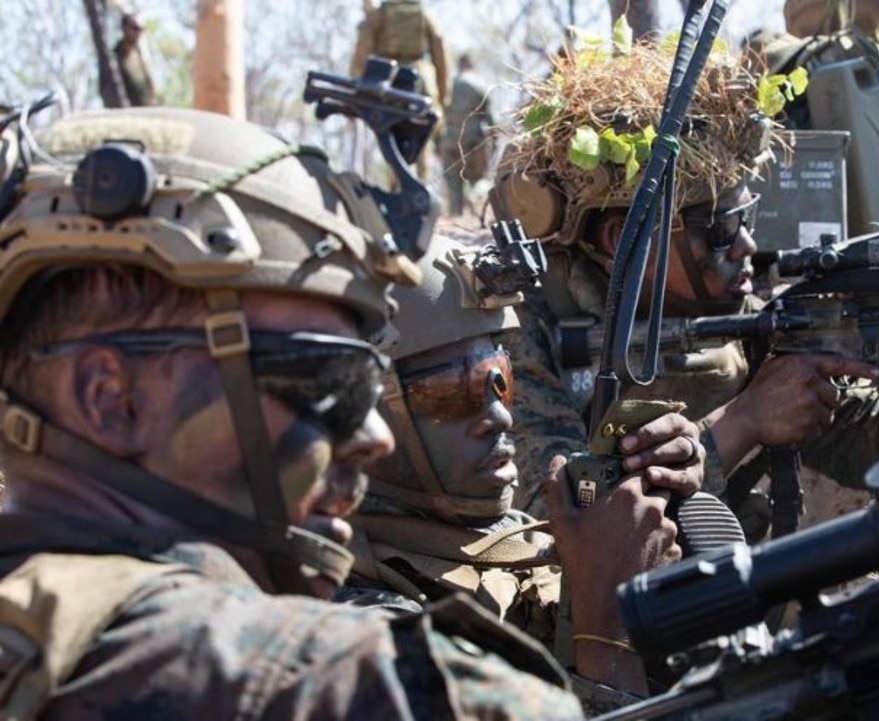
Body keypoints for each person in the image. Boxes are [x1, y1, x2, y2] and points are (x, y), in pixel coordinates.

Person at [0, 103, 681, 717]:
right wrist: (610, 644)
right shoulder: (346, 687)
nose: (371, 436)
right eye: (326, 381)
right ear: (112, 398)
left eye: (498, 379)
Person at [490, 41, 879, 527]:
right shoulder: (518, 330)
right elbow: (557, 521)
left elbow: (858, 447)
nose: (746, 247)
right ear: (620, 240)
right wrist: (743, 421)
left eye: (745, 219)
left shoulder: (744, 315)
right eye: (720, 229)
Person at [336, 236, 701, 710]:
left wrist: (665, 500)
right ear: (361, 419)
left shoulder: (511, 541)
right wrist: (606, 632)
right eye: (451, 390)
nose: (499, 417)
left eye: (497, 378)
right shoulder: (366, 629)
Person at [350, 0, 449, 180]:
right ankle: (422, 186)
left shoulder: (380, 14)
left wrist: (356, 83)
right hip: (421, 80)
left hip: (390, 80)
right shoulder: (423, 14)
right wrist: (443, 96)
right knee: (423, 139)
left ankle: (398, 188)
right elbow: (439, 50)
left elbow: (362, 51)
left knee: (392, 139)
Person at [441, 54, 494, 216]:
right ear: (472, 65)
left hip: (450, 141)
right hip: (474, 141)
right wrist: (494, 141)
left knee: (454, 183)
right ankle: (479, 215)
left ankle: (456, 216)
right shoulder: (480, 85)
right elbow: (490, 118)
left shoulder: (448, 86)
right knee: (477, 179)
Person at [113, 12, 158, 107]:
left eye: (140, 29)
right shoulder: (114, 59)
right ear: (124, 29)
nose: (138, 33)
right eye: (135, 28)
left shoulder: (142, 56)